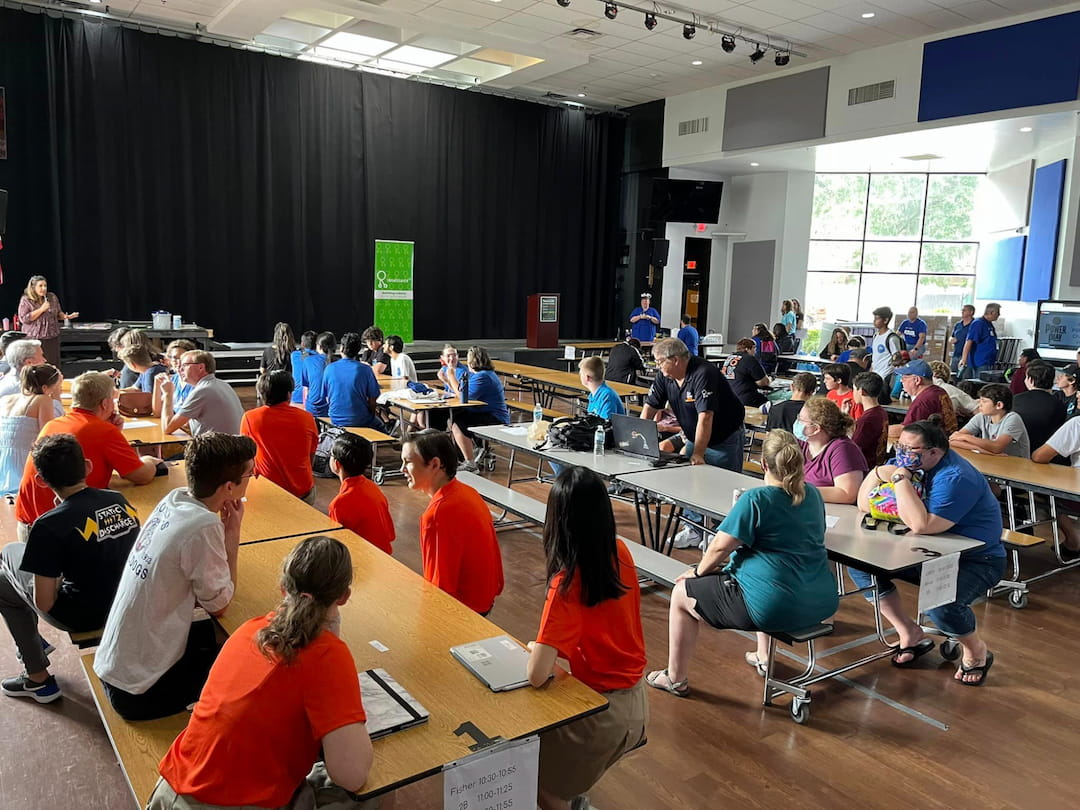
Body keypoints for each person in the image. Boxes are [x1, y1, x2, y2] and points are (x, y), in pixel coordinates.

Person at [148, 534, 372, 809]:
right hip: (231, 804)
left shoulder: (250, 629)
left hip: (169, 794)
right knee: (365, 797)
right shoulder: (328, 655)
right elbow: (351, 775)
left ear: (282, 588)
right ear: (344, 596)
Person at [645, 430, 838, 697]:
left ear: (764, 464)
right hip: (822, 602)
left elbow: (720, 547)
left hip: (775, 608)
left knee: (681, 594)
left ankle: (675, 678)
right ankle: (763, 655)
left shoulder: (756, 499)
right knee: (760, 574)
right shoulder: (813, 495)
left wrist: (697, 571)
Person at [95, 432, 256, 721]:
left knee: (217, 637)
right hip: (139, 691)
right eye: (250, 475)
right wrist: (232, 534)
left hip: (114, 666)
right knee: (251, 664)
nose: (251, 481)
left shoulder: (175, 499)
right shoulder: (203, 525)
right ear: (229, 487)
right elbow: (221, 603)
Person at [527, 467, 647, 810]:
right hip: (636, 704)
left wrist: (536, 648)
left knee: (540, 784)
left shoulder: (565, 584)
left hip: (600, 715)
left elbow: (536, 675)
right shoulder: (620, 552)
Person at [853, 419, 1004, 685]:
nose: (902, 455)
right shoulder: (917, 465)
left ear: (935, 452)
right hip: (927, 552)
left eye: (911, 450)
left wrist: (899, 477)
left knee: (940, 603)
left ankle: (976, 650)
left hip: (977, 560)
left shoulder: (955, 477)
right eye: (900, 446)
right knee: (861, 566)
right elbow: (865, 504)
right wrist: (877, 472)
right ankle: (909, 632)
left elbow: (922, 525)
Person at [0, 435, 140, 703]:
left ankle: (39, 678)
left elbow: (44, 601)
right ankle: (35, 667)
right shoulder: (117, 499)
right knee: (4, 583)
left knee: (7, 557)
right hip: (126, 600)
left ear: (42, 481)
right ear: (87, 466)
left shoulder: (48, 525)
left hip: (82, 615)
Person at [15, 372, 160, 537]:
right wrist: (148, 460)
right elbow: (141, 475)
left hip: (30, 523)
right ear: (105, 404)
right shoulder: (103, 431)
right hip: (65, 531)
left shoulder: (54, 424)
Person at [643, 337, 745, 550]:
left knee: (722, 488)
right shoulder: (666, 376)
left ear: (677, 360)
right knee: (689, 485)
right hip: (694, 436)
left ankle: (719, 538)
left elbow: (705, 417)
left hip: (723, 438)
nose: (658, 366)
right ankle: (694, 530)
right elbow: (650, 407)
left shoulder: (703, 373)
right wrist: (637, 439)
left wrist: (698, 453)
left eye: (660, 361)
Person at [401, 430, 503, 614]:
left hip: (463, 609)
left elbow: (439, 585)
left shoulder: (438, 513)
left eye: (407, 462)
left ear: (435, 464)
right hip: (483, 599)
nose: (402, 469)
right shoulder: (467, 492)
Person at [240, 371, 320, 502]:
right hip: (302, 491)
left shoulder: (250, 418)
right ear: (289, 394)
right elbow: (311, 456)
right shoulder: (307, 418)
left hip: (267, 491)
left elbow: (245, 456)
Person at [0, 364, 64, 496]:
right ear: (46, 388)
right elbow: (49, 436)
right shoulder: (42, 400)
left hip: (4, 464)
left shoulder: (5, 399)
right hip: (25, 464)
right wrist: (56, 395)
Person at [329, 433, 395, 555]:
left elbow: (338, 546)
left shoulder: (339, 503)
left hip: (362, 558)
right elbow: (389, 534)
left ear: (337, 464)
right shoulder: (371, 486)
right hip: (384, 554)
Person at [795, 397, 867, 504]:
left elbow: (847, 494)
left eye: (801, 419)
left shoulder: (843, 449)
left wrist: (800, 491)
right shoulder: (802, 443)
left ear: (816, 429)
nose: (797, 423)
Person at [451, 346, 510, 473]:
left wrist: (450, 377)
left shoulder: (483, 377)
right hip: (484, 412)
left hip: (495, 417)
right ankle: (475, 451)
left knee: (457, 423)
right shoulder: (483, 375)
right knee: (456, 415)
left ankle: (470, 463)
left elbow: (464, 397)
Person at [161, 350, 245, 437]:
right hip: (234, 445)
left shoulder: (202, 390)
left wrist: (168, 394)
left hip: (217, 448)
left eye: (184, 365)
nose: (180, 369)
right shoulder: (223, 384)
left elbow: (167, 427)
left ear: (201, 367)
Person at [1032, 419, 1080, 561]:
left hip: (1075, 496)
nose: (1077, 395)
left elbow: (1040, 456)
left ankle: (1073, 542)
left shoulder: (1077, 424)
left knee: (1048, 494)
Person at [317, 332, 383, 431]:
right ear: (358, 350)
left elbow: (326, 397)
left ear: (341, 348)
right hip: (361, 419)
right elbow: (373, 399)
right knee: (382, 427)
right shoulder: (365, 369)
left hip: (336, 418)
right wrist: (371, 414)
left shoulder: (329, 368)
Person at [949, 383, 1030, 458]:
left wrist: (965, 437)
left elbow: (997, 447)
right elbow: (952, 441)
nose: (979, 404)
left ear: (999, 405)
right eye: (979, 400)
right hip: (991, 459)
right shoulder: (981, 416)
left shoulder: (1013, 418)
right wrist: (983, 451)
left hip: (1015, 465)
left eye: (984, 401)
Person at [887, 359, 957, 441]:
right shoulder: (939, 391)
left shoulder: (923, 401)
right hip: (945, 440)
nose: (901, 380)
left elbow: (907, 431)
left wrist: (880, 430)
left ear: (917, 380)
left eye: (904, 377)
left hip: (933, 445)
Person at [17, 275, 78, 366]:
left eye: (45, 285)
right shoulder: (26, 300)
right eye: (40, 286)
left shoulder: (52, 297)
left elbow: (58, 313)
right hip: (35, 338)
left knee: (52, 363)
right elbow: (24, 319)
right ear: (33, 287)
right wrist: (41, 309)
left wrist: (66, 317)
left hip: (52, 337)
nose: (44, 288)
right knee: (38, 364)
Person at [1013, 360, 1067, 454]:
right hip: (1045, 454)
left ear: (1030, 380)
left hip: (1015, 451)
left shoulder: (1015, 400)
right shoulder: (1059, 405)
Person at [851, 372, 889, 468]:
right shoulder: (881, 412)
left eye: (854, 389)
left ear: (861, 391)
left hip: (865, 467)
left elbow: (853, 448)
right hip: (876, 464)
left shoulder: (866, 420)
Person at [721, 339, 771, 408]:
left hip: (727, 397)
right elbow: (763, 382)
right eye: (754, 348)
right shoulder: (749, 359)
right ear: (747, 349)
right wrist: (770, 380)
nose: (755, 351)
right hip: (745, 398)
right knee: (770, 402)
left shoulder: (729, 358)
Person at [152, 339, 196, 417]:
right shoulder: (172, 380)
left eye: (182, 358)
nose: (178, 362)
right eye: (175, 358)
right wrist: (157, 384)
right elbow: (157, 413)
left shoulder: (196, 382)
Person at [958, 302, 1001, 381]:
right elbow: (969, 341)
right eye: (998, 313)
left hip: (988, 360)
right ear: (992, 312)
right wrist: (964, 359)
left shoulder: (989, 324)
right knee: (979, 383)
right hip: (980, 362)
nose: (999, 315)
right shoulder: (978, 323)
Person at [301, 331, 335, 418]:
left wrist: (305, 408)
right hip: (332, 408)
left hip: (312, 408)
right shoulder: (338, 363)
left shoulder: (308, 360)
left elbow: (306, 388)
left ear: (319, 346)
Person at [870, 306, 905, 378]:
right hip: (876, 375)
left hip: (886, 376)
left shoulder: (892, 338)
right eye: (874, 318)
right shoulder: (876, 336)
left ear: (885, 320)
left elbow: (897, 358)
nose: (874, 321)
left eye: (877, 318)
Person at [949, 304, 976, 374]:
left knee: (964, 376)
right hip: (956, 354)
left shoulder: (975, 325)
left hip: (968, 356)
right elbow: (951, 336)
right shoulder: (958, 324)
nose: (962, 311)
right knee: (953, 375)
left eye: (964, 310)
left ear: (971, 312)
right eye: (962, 310)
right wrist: (951, 339)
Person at [291, 330, 315, 405]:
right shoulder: (319, 358)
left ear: (302, 343)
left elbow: (304, 356)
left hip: (295, 397)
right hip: (311, 398)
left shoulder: (294, 355)